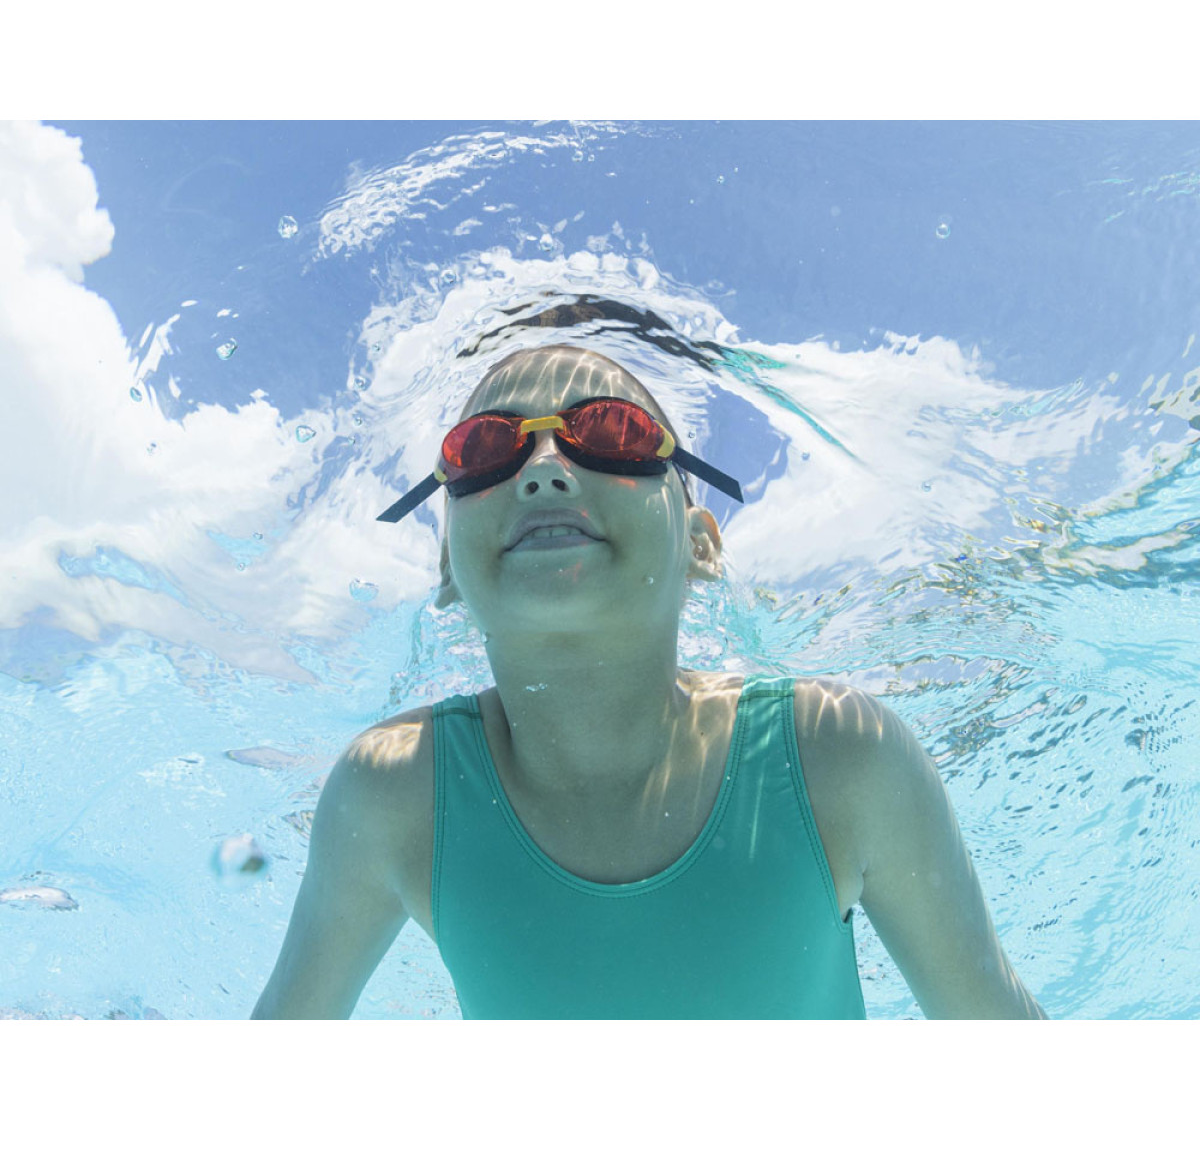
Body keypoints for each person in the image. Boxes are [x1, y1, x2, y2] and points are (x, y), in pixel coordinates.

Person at [252, 344, 1048, 1020]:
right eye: (485, 450)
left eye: (612, 433)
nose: (545, 469)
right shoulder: (396, 794)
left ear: (701, 545)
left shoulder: (835, 756)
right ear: (447, 571)